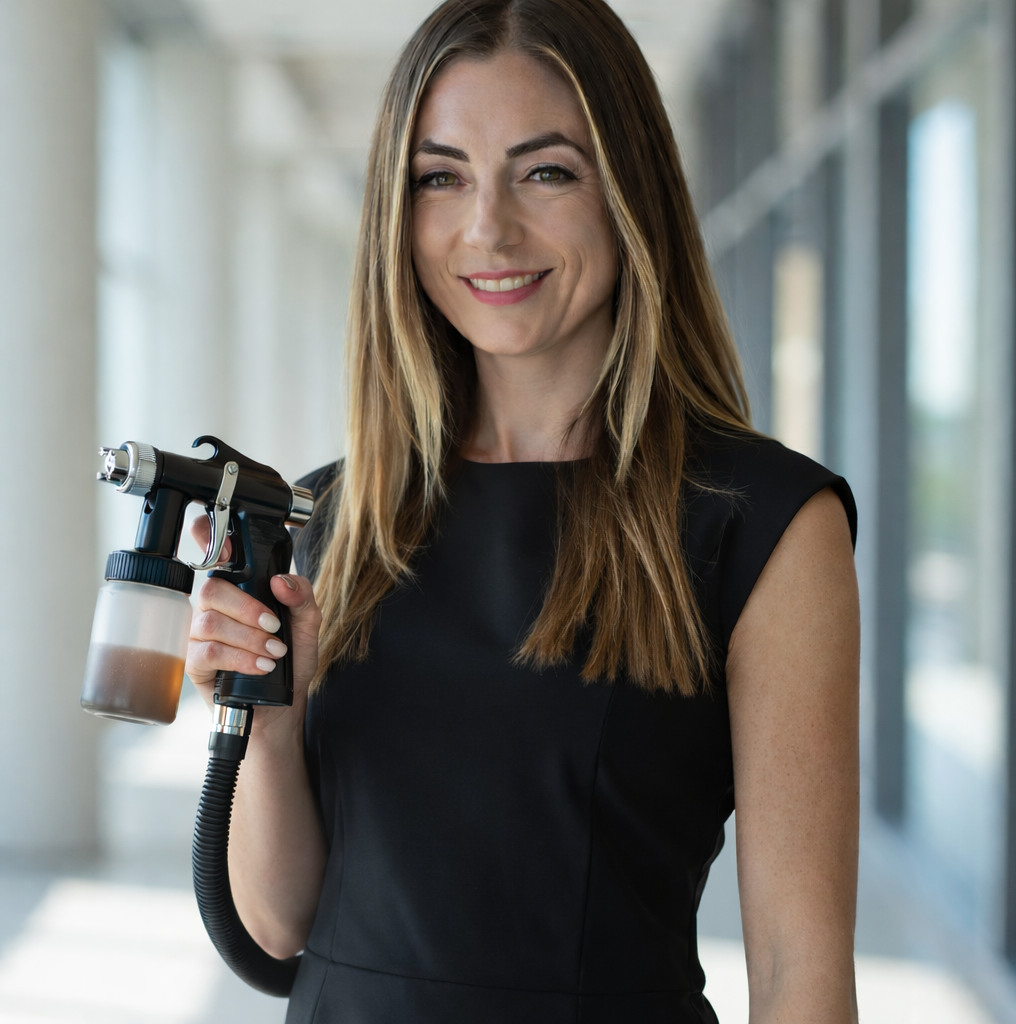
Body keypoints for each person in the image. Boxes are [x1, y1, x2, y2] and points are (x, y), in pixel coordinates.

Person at [186, 0, 861, 1020]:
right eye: (439, 177)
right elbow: (280, 926)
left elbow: (799, 968)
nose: (485, 228)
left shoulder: (760, 524)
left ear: (628, 191)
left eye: (545, 171)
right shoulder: (327, 512)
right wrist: (267, 726)